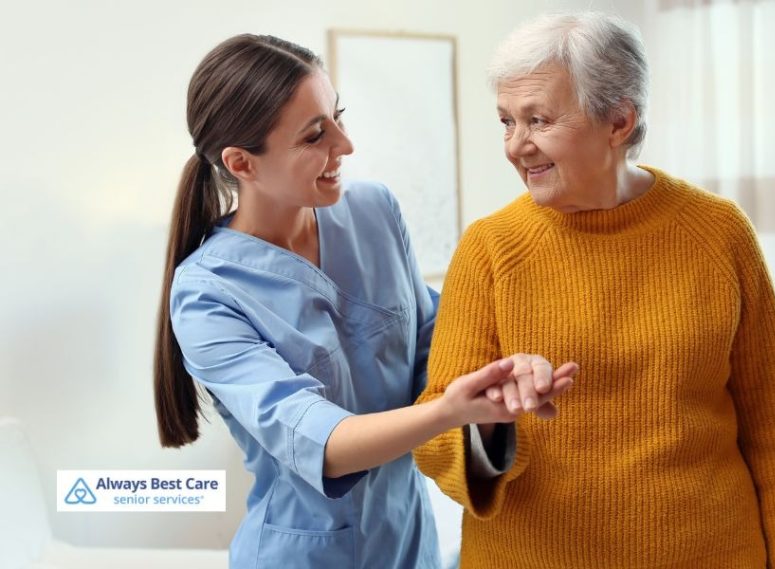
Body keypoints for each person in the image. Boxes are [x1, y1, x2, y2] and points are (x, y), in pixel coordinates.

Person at [152, 34, 574, 568]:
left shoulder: (374, 211)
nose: (344, 145)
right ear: (242, 163)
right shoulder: (208, 294)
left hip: (410, 544)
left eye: (337, 116)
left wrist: (496, 381)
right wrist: (450, 409)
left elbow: (432, 345)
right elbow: (321, 443)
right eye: (314, 136)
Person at [413, 12, 775, 568]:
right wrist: (488, 417)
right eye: (506, 122)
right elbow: (434, 434)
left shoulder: (720, 233)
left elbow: (772, 428)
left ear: (619, 119)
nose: (516, 146)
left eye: (538, 120)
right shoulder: (490, 247)